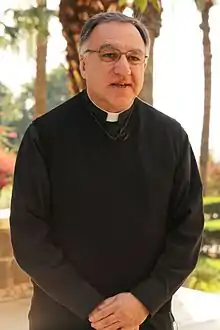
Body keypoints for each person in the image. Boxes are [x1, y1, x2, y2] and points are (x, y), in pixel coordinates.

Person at [10, 12, 204, 330]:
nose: (123, 68)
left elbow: (188, 229)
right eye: (109, 55)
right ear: (84, 63)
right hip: (62, 318)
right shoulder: (45, 136)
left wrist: (144, 301)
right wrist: (93, 307)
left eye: (134, 57)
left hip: (146, 319)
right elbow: (30, 237)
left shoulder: (171, 137)